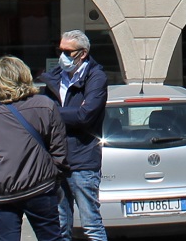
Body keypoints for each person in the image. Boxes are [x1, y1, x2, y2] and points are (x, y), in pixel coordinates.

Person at [0, 56, 69, 241]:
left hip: (3, 191)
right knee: (51, 237)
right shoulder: (45, 105)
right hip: (40, 186)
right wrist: (54, 177)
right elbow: (59, 150)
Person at [39, 29, 107, 241]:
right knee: (60, 226)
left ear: (83, 53)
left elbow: (85, 116)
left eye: (68, 52)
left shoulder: (96, 77)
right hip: (56, 159)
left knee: (91, 225)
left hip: (83, 160)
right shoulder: (54, 78)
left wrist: (51, 112)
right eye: (60, 51)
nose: (63, 56)